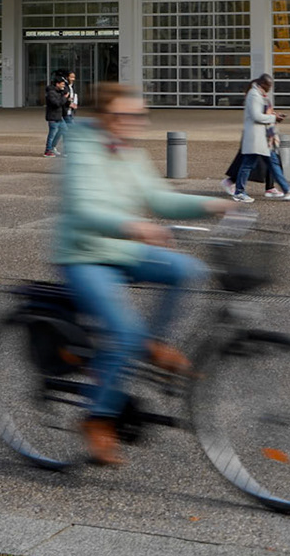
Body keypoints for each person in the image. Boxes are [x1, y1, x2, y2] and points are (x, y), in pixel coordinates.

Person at [54, 83, 229, 466]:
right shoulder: (81, 149)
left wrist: (212, 205)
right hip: (84, 256)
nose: (135, 122)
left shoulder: (131, 153)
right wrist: (133, 227)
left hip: (124, 250)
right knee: (124, 333)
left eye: (139, 116)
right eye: (126, 115)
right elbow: (84, 208)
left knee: (188, 269)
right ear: (105, 116)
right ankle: (97, 420)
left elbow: (159, 199)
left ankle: (153, 344)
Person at [224, 74, 290, 202]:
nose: (270, 88)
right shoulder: (254, 95)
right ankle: (239, 192)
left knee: (273, 163)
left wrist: (274, 115)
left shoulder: (261, 95)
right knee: (248, 164)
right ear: (262, 84)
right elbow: (256, 116)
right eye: (269, 85)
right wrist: (273, 118)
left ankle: (287, 189)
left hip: (265, 138)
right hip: (257, 137)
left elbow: (264, 112)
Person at [43, 70, 74, 156]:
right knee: (52, 135)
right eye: (62, 84)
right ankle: (48, 151)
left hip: (59, 117)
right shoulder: (51, 93)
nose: (63, 86)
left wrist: (68, 101)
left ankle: (57, 149)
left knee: (64, 131)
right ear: (57, 84)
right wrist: (64, 98)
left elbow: (62, 102)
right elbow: (57, 103)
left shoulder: (58, 92)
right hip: (53, 117)